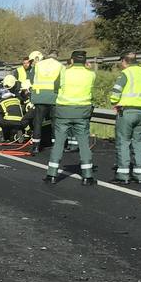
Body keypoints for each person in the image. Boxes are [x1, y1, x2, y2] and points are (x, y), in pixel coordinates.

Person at [43, 50, 96, 185]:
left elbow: (55, 88)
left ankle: (52, 175)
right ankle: (87, 176)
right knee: (84, 143)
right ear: (85, 61)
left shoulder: (64, 72)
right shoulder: (91, 74)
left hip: (63, 111)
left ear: (71, 60)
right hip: (82, 112)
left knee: (59, 142)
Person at [109, 52, 141, 184]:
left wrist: (115, 102)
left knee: (123, 142)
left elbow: (116, 90)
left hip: (126, 112)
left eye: (121, 63)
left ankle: (123, 174)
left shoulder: (126, 73)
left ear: (124, 62)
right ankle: (139, 174)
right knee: (139, 142)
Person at [28, 49, 62, 153]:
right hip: (54, 97)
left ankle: (36, 146)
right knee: (55, 122)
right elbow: (62, 82)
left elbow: (31, 79)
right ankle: (55, 145)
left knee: (38, 122)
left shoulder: (38, 65)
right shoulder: (60, 66)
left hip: (39, 96)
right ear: (56, 56)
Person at [0, 74, 29, 141]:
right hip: (21, 120)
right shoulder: (2, 85)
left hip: (9, 119)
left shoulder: (19, 86)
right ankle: (25, 133)